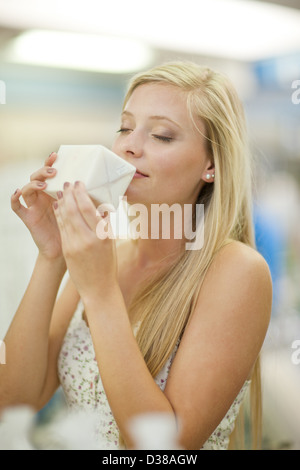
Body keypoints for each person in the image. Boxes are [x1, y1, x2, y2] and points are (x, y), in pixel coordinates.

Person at [0, 61, 272, 450]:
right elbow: (12, 402)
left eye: (161, 135)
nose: (129, 145)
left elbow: (165, 448)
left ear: (211, 165)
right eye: (125, 127)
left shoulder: (237, 272)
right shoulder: (105, 257)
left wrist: (100, 290)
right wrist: (53, 255)